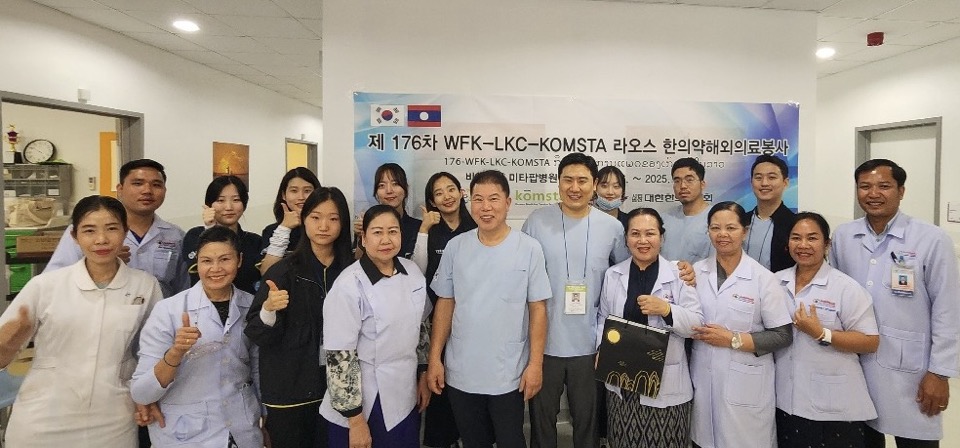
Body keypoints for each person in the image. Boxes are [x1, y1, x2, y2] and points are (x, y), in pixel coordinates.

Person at [0, 195, 164, 446]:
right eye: (89, 230)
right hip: (44, 415)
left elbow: (154, 349)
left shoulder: (145, 285)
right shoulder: (45, 286)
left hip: (113, 416)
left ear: (125, 231)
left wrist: (148, 395)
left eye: (111, 228)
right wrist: (12, 340)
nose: (101, 239)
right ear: (74, 236)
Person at [829, 159, 959, 447]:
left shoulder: (931, 239)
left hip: (911, 370)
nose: (873, 193)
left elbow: (948, 309)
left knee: (915, 439)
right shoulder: (844, 236)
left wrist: (940, 372)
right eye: (865, 186)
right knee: (862, 438)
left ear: (901, 191)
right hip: (856, 366)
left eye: (884, 186)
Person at [427, 170, 551, 448]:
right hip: (462, 371)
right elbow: (445, 303)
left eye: (493, 199)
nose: (486, 207)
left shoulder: (529, 248)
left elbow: (538, 309)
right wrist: (435, 358)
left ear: (508, 202)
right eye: (478, 199)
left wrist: (535, 365)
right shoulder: (456, 247)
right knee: (473, 441)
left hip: (508, 373)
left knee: (511, 440)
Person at [522, 153, 629, 448]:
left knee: (587, 423)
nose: (574, 187)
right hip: (544, 342)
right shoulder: (537, 221)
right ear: (558, 182)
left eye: (582, 180)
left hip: (590, 343)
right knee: (542, 423)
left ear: (594, 184)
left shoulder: (612, 228)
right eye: (567, 180)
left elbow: (626, 275)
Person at [131, 226, 262, 447]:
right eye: (206, 261)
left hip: (242, 429)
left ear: (239, 260)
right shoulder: (169, 310)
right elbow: (142, 393)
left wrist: (265, 419)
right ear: (196, 263)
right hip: (186, 434)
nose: (216, 269)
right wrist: (175, 353)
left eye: (225, 259)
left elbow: (258, 369)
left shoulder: (251, 306)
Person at [246, 187, 354, 448]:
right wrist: (269, 309)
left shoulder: (352, 272)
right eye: (315, 217)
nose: (323, 226)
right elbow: (256, 331)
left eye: (333, 218)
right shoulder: (283, 271)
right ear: (304, 220)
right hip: (291, 392)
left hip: (339, 390)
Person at [321, 205, 431, 448]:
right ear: (364, 238)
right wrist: (355, 420)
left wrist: (423, 373)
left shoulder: (412, 271)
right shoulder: (349, 284)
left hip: (405, 391)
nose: (386, 240)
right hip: (364, 400)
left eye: (393, 231)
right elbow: (339, 357)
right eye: (377, 232)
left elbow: (421, 326)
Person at [689, 201, 793, 448]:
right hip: (703, 380)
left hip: (747, 386)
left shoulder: (763, 278)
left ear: (744, 231)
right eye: (715, 228)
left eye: (731, 228)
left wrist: (732, 339)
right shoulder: (695, 272)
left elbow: (782, 335)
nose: (722, 234)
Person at [597, 208, 703, 448]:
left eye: (650, 233)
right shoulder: (613, 275)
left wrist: (666, 310)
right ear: (626, 239)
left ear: (662, 238)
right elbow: (603, 318)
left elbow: (696, 324)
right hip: (622, 384)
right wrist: (601, 349)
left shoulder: (679, 274)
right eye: (635, 234)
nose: (642, 240)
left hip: (665, 385)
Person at [774, 212, 880, 448]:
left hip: (835, 408)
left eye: (812, 238)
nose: (803, 245)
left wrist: (822, 333)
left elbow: (870, 341)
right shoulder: (776, 282)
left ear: (826, 244)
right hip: (786, 400)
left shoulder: (845, 287)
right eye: (796, 238)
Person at [45, 158, 189, 298]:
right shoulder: (86, 231)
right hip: (97, 308)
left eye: (156, 185)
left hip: (158, 310)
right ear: (120, 189)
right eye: (138, 183)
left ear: (165, 190)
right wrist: (100, 262)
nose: (147, 190)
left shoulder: (175, 236)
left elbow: (184, 289)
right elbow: (53, 281)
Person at [410, 172, 477, 448]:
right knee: (440, 382)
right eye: (439, 193)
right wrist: (424, 229)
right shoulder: (431, 231)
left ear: (461, 193)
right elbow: (417, 271)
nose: (447, 196)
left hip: (470, 319)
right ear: (432, 201)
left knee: (468, 384)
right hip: (436, 318)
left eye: (451, 189)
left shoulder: (476, 227)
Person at [182, 175, 262, 294]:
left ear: (244, 204)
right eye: (220, 200)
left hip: (246, 303)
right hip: (202, 303)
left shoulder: (254, 241)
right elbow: (199, 274)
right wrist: (210, 229)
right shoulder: (195, 235)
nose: (228, 207)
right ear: (209, 205)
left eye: (236, 200)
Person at [260, 167, 321, 275]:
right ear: (284, 195)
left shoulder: (325, 227)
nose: (301, 197)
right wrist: (284, 228)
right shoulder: (272, 231)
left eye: (307, 191)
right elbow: (266, 273)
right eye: (294, 191)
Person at [354, 163, 422, 259]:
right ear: (376, 192)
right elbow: (357, 261)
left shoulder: (419, 227)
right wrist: (361, 237)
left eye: (395, 184)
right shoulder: (368, 225)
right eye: (382, 185)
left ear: (405, 189)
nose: (389, 190)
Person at [744, 154, 795, 272]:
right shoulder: (741, 221)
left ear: (785, 182)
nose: (764, 183)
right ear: (751, 182)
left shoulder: (794, 224)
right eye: (758, 178)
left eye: (771, 177)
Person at [661, 157, 712, 263]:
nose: (683, 186)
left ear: (702, 184)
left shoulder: (714, 218)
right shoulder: (664, 219)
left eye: (689, 180)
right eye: (677, 181)